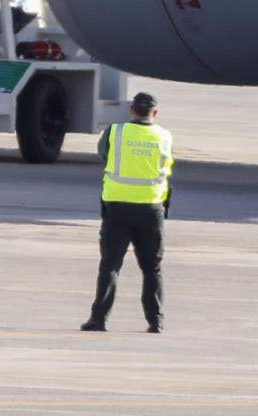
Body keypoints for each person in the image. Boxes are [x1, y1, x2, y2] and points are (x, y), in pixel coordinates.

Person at [82, 91, 174, 334]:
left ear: (132, 110)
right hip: (151, 209)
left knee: (110, 265)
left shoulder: (115, 131)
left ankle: (99, 319)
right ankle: (156, 321)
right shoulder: (164, 136)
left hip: (117, 207)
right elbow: (166, 165)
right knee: (152, 268)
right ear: (155, 113)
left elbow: (104, 154)